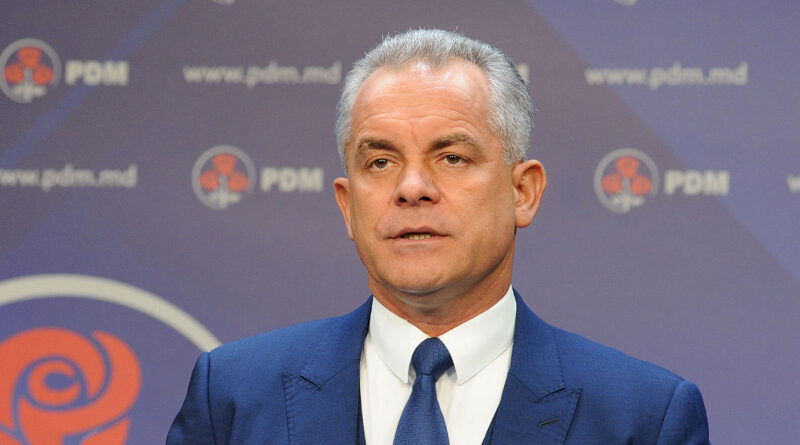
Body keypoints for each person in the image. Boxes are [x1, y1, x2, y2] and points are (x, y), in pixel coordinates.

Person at [167, 29, 710, 444]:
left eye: (452, 157)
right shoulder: (232, 396)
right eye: (380, 162)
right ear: (348, 206)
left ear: (522, 192)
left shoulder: (644, 417)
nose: (412, 189)